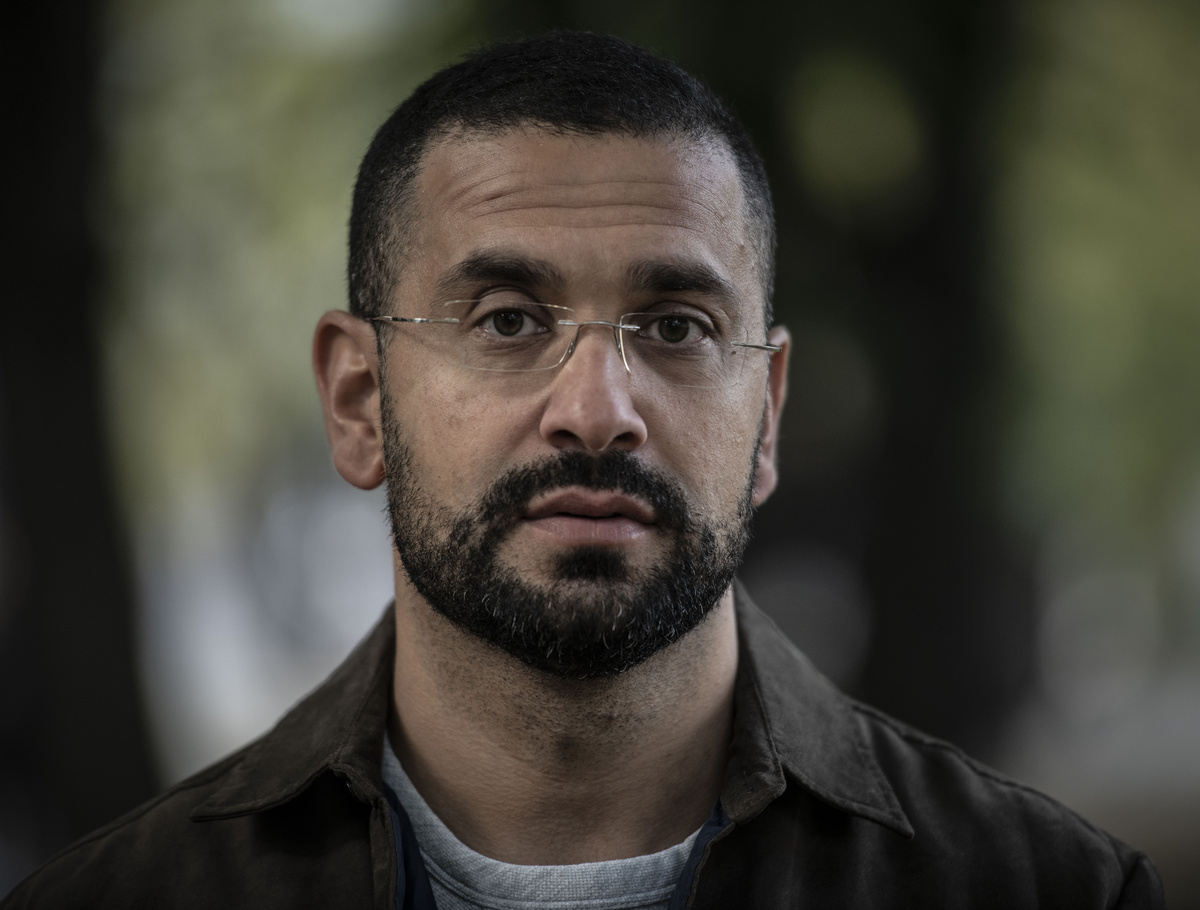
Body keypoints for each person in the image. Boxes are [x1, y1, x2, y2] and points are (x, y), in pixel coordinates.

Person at [4, 31, 1163, 910]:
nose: (599, 412)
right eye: (507, 320)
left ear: (766, 414)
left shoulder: (1051, 891)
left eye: (676, 327)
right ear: (359, 401)